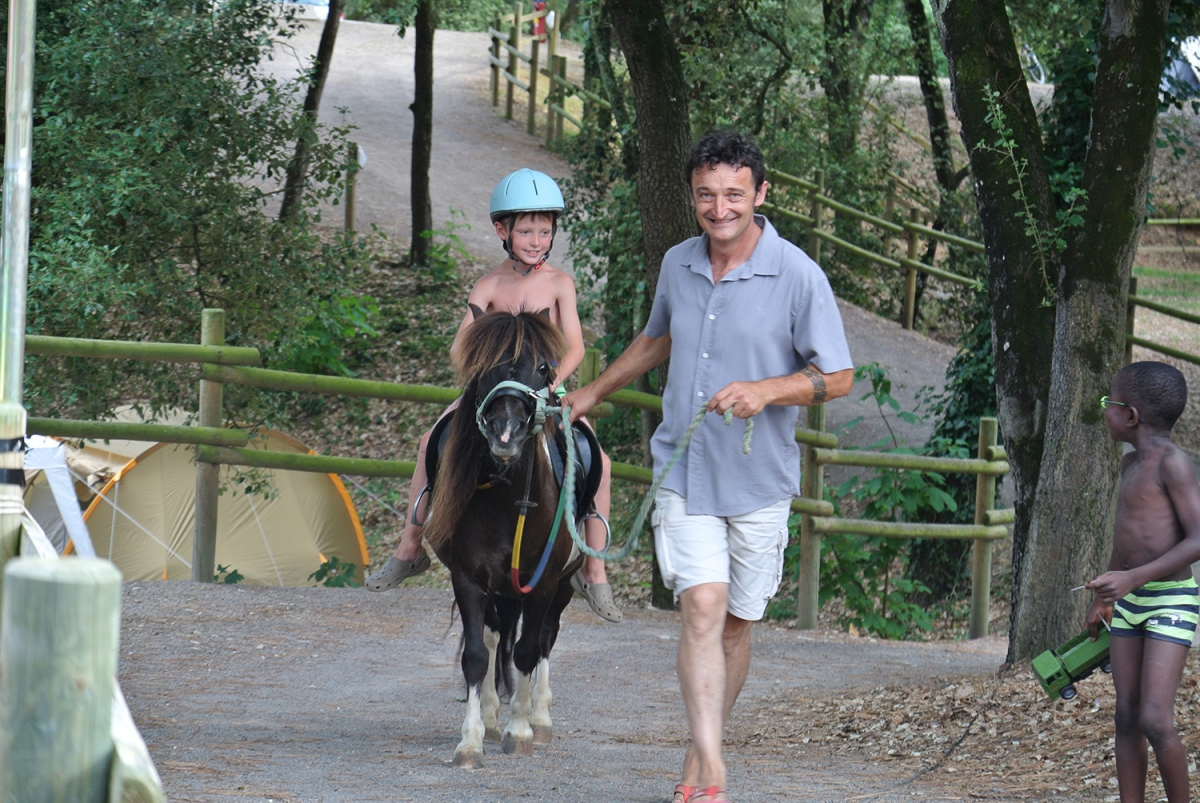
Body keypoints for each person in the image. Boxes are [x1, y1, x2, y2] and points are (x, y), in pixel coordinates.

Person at [563, 130, 854, 803]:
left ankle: (700, 756)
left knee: (734, 625)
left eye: (732, 194)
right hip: (685, 469)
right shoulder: (677, 263)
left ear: (759, 193)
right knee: (701, 604)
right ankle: (717, 773)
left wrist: (768, 390)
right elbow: (657, 338)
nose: (718, 207)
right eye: (705, 195)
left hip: (759, 481)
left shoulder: (797, 273)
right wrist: (594, 391)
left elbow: (837, 376)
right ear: (692, 196)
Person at [364, 168, 623, 624]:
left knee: (595, 456)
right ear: (502, 230)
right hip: (493, 394)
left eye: (545, 231)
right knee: (430, 442)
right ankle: (410, 546)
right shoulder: (488, 286)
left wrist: (552, 383)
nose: (537, 240)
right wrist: (487, 374)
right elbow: (459, 346)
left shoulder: (560, 284)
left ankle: (594, 569)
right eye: (526, 230)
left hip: (546, 389)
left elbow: (577, 345)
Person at [1086, 361, 1200, 803]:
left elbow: (1198, 539)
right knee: (1127, 715)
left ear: (1130, 415)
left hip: (1171, 599)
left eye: (1107, 403)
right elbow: (1126, 541)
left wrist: (1133, 578)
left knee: (1155, 718)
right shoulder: (1131, 463)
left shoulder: (1173, 464)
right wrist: (1103, 596)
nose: (1104, 411)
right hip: (1130, 602)